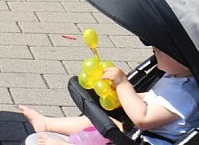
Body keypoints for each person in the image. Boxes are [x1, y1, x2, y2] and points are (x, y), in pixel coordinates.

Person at [19, 47, 199, 145]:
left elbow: (144, 119)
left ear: (185, 62)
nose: (154, 49)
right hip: (140, 135)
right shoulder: (174, 76)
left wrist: (123, 84)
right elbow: (154, 99)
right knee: (100, 122)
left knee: (107, 135)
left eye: (161, 50)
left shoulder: (185, 93)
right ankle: (47, 123)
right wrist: (124, 95)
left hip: (149, 141)